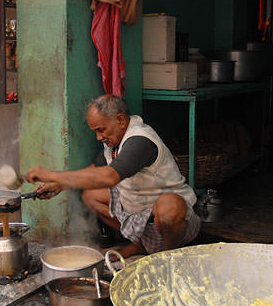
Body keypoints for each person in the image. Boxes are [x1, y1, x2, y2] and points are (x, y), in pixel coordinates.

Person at [26, 94, 200, 258]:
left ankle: (169, 258)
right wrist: (58, 185)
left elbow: (110, 177)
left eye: (101, 130)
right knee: (90, 195)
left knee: (169, 205)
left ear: (120, 120)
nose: (98, 137)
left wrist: (50, 175)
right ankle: (140, 243)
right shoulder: (114, 143)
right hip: (141, 214)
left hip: (177, 224)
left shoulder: (140, 140)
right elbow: (95, 169)